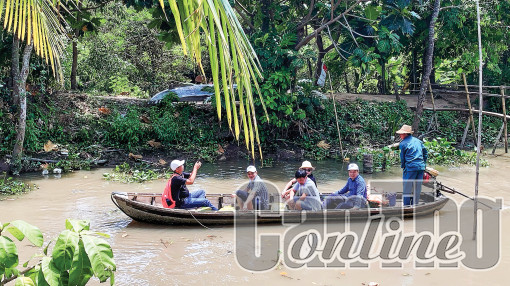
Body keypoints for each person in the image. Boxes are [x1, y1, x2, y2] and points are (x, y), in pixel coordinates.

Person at [396, 124, 428, 206]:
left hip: (411, 168)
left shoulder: (403, 144)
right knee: (417, 188)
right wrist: (423, 164)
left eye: (401, 134)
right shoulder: (418, 141)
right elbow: (425, 153)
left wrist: (403, 167)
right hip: (420, 167)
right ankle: (415, 205)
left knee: (407, 188)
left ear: (405, 134)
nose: (400, 135)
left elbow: (402, 158)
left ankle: (407, 206)